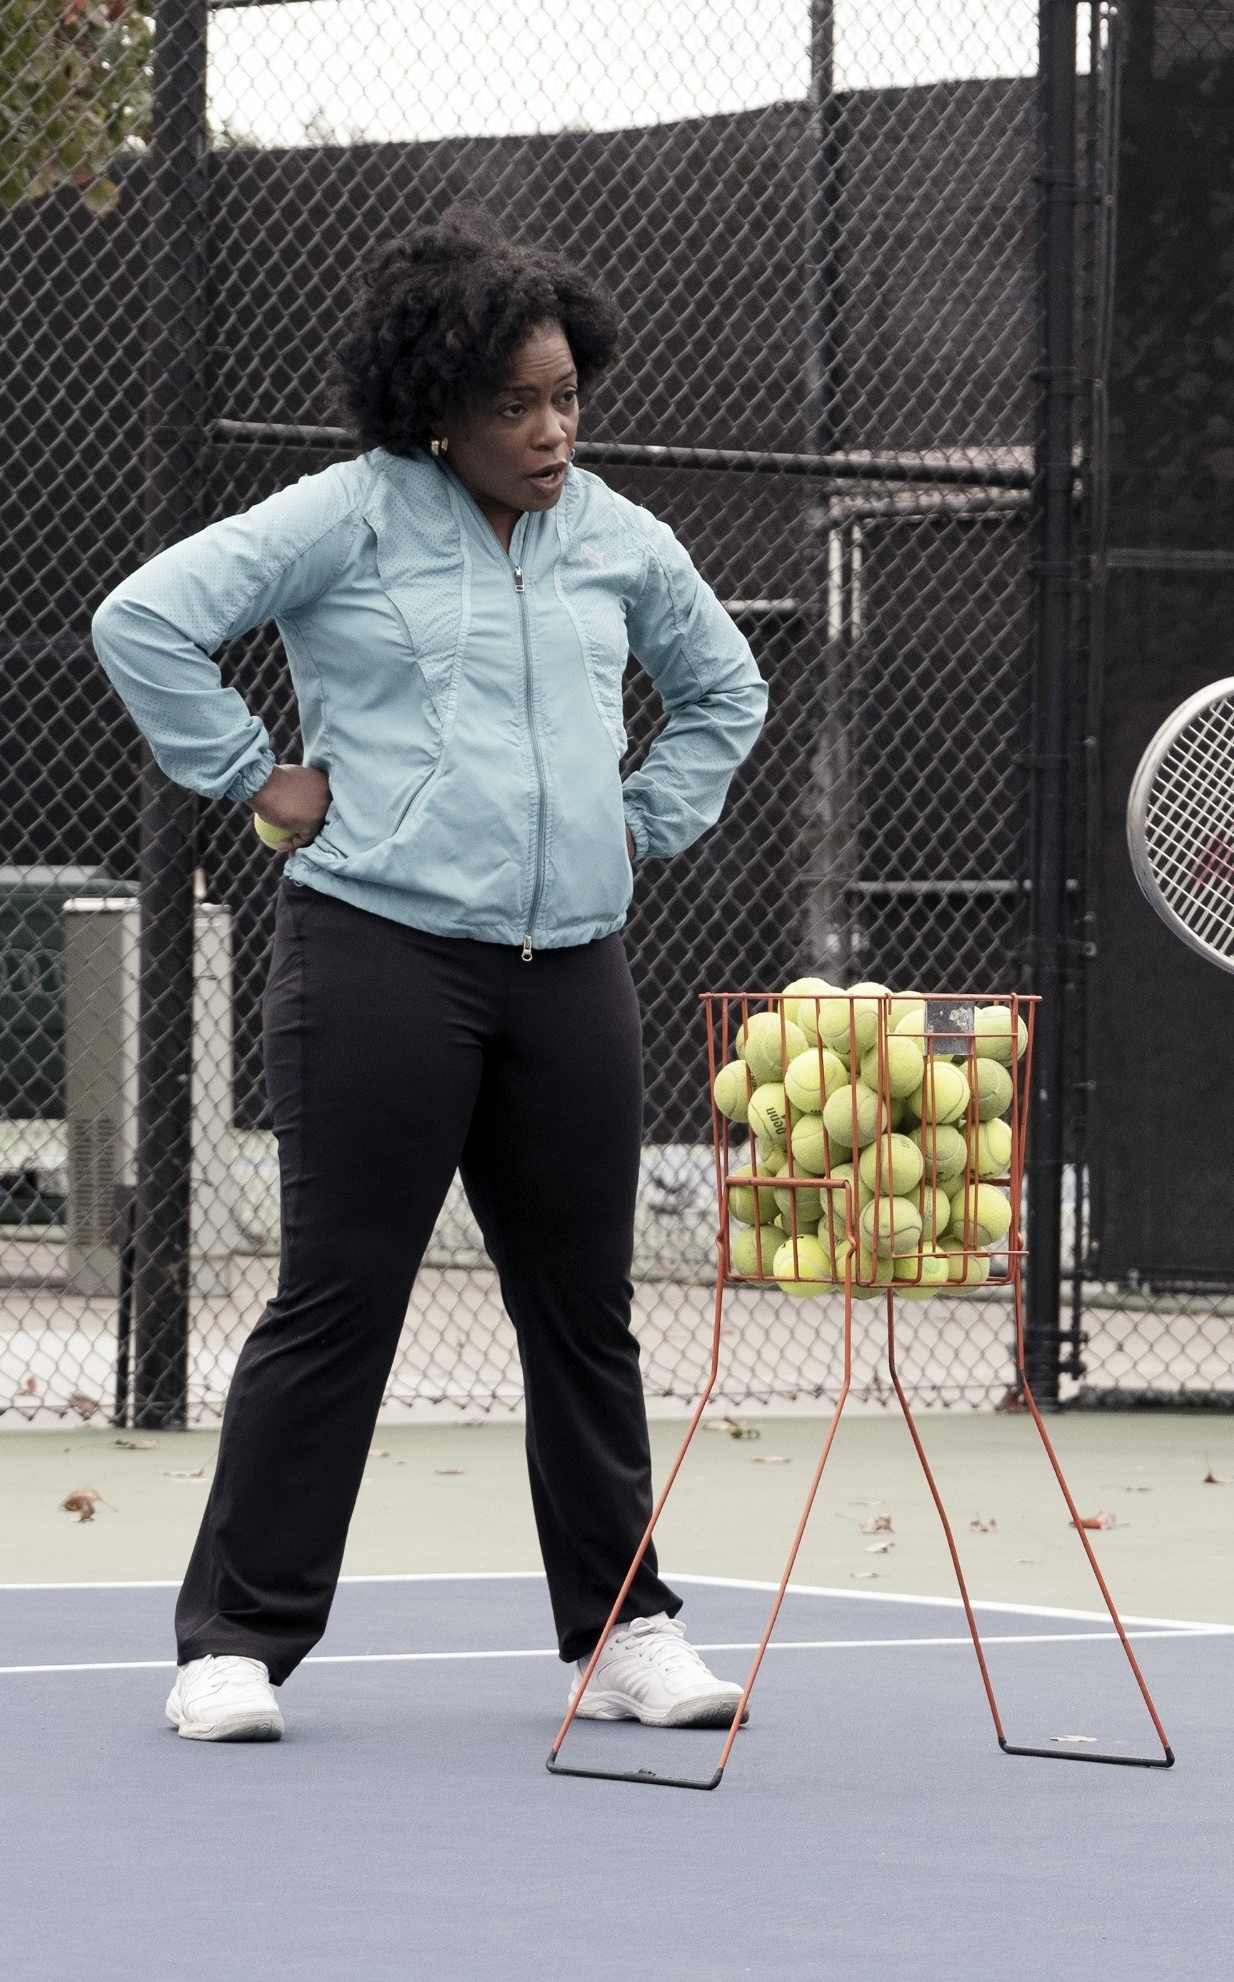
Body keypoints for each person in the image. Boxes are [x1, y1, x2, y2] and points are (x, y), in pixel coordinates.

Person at [92, 211, 769, 1744]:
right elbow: (145, 620)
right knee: (340, 1303)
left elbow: (726, 685)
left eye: (567, 398)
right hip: (378, 954)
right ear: (437, 408)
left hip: (571, 975)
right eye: (515, 404)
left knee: (584, 1314)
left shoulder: (618, 536)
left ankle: (623, 1633)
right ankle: (231, 1644)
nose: (550, 431)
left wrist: (637, 819)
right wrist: (253, 780)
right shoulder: (351, 513)